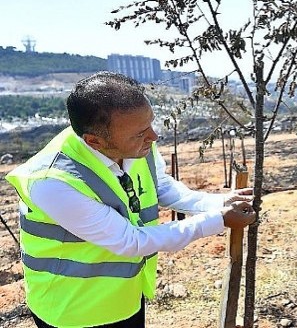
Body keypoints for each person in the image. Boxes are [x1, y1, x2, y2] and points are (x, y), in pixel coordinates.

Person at [5, 71, 256, 328]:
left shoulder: (135, 138)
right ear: (94, 141)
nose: (154, 136)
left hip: (123, 297)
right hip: (74, 311)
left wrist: (216, 203)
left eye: (150, 124)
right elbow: (131, 241)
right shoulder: (53, 182)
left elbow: (158, 185)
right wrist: (218, 220)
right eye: (140, 133)